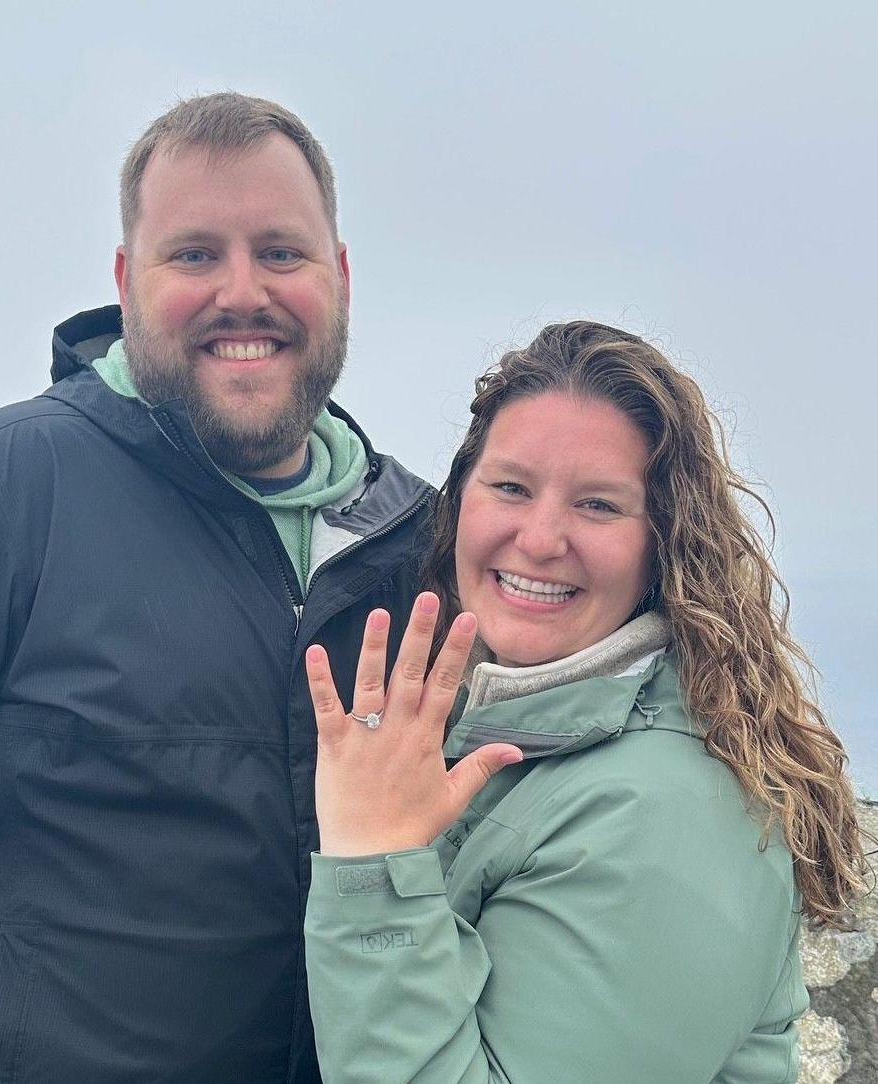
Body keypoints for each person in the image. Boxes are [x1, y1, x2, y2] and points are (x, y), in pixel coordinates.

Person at [0, 93, 433, 1083]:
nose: (242, 291)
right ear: (127, 281)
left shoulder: (422, 548)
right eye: (193, 255)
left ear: (339, 277)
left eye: (279, 252)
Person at [303, 321, 869, 1083]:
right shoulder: (515, 733)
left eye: (598, 506)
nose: (539, 539)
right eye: (510, 487)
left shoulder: (667, 810)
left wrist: (373, 867)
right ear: (458, 503)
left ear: (663, 544)